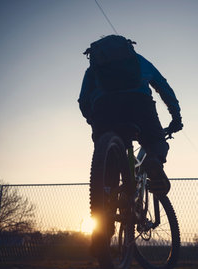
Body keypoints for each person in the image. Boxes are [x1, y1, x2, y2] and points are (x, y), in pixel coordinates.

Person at [77, 36, 183, 195]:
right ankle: (154, 160)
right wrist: (176, 117)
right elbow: (163, 86)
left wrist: (93, 121)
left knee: (108, 164)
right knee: (156, 141)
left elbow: (83, 100)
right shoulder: (139, 61)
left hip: (104, 110)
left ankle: (106, 196)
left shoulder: (94, 69)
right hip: (139, 105)